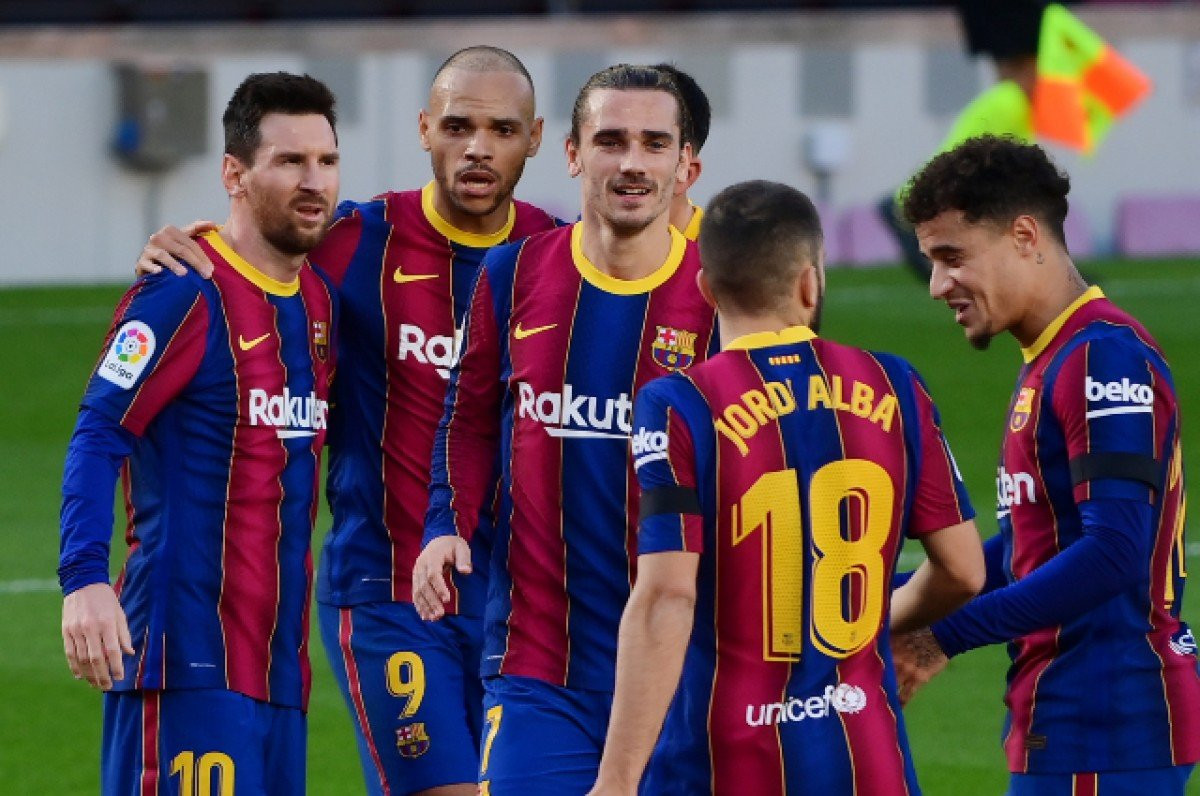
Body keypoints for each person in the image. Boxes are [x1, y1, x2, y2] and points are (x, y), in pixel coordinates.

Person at [134, 46, 559, 796]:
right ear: (425, 128)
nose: (478, 147)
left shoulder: (558, 256)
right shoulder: (357, 239)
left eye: (502, 128)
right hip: (389, 591)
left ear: (535, 137)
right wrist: (186, 245)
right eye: (458, 125)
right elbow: (253, 254)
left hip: (523, 604)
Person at [587, 180, 985, 796]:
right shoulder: (895, 384)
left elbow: (666, 598)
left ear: (706, 289)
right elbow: (964, 571)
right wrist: (864, 623)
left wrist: (613, 782)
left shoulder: (679, 405)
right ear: (809, 282)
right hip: (867, 757)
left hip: (723, 762)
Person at [412, 64, 715, 794]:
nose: (633, 162)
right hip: (537, 663)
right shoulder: (512, 275)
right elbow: (470, 418)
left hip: (685, 667)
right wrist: (445, 521)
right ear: (574, 153)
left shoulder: (719, 297)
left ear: (687, 165)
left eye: (654, 143)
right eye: (610, 140)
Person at [59, 72, 339, 794]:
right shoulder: (186, 290)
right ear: (234, 174)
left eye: (326, 161)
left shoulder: (317, 303)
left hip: (279, 675)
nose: (313, 181)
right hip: (186, 662)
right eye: (288, 161)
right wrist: (84, 578)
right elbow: (98, 432)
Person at [897, 135, 1200, 794]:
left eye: (952, 257)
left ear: (1024, 236)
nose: (937, 285)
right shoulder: (1054, 357)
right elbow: (1035, 544)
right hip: (1073, 716)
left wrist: (938, 639)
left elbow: (1113, 550)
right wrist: (888, 595)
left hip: (1108, 719)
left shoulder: (1101, 359)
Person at [652, 63, 710, 240]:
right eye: (610, 143)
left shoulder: (732, 262)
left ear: (687, 170)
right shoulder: (571, 248)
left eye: (654, 145)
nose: (628, 164)